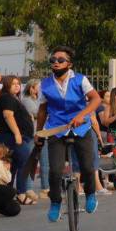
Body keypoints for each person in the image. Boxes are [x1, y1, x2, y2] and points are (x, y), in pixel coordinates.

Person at [36, 46, 103, 221]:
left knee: (88, 167)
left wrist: (82, 115)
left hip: (80, 127)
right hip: (57, 129)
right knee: (55, 171)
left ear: (69, 63)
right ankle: (56, 202)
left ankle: (89, 193)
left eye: (60, 60)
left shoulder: (80, 80)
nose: (56, 63)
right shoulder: (44, 84)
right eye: (53, 60)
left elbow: (96, 99)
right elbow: (42, 110)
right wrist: (39, 132)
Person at [0, 75, 36, 203]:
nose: (17, 86)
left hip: (17, 136)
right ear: (7, 86)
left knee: (14, 165)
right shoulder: (7, 97)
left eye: (18, 83)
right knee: (24, 163)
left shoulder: (13, 98)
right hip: (12, 137)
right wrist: (17, 134)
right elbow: (8, 116)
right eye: (13, 84)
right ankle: (21, 193)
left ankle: (8, 193)